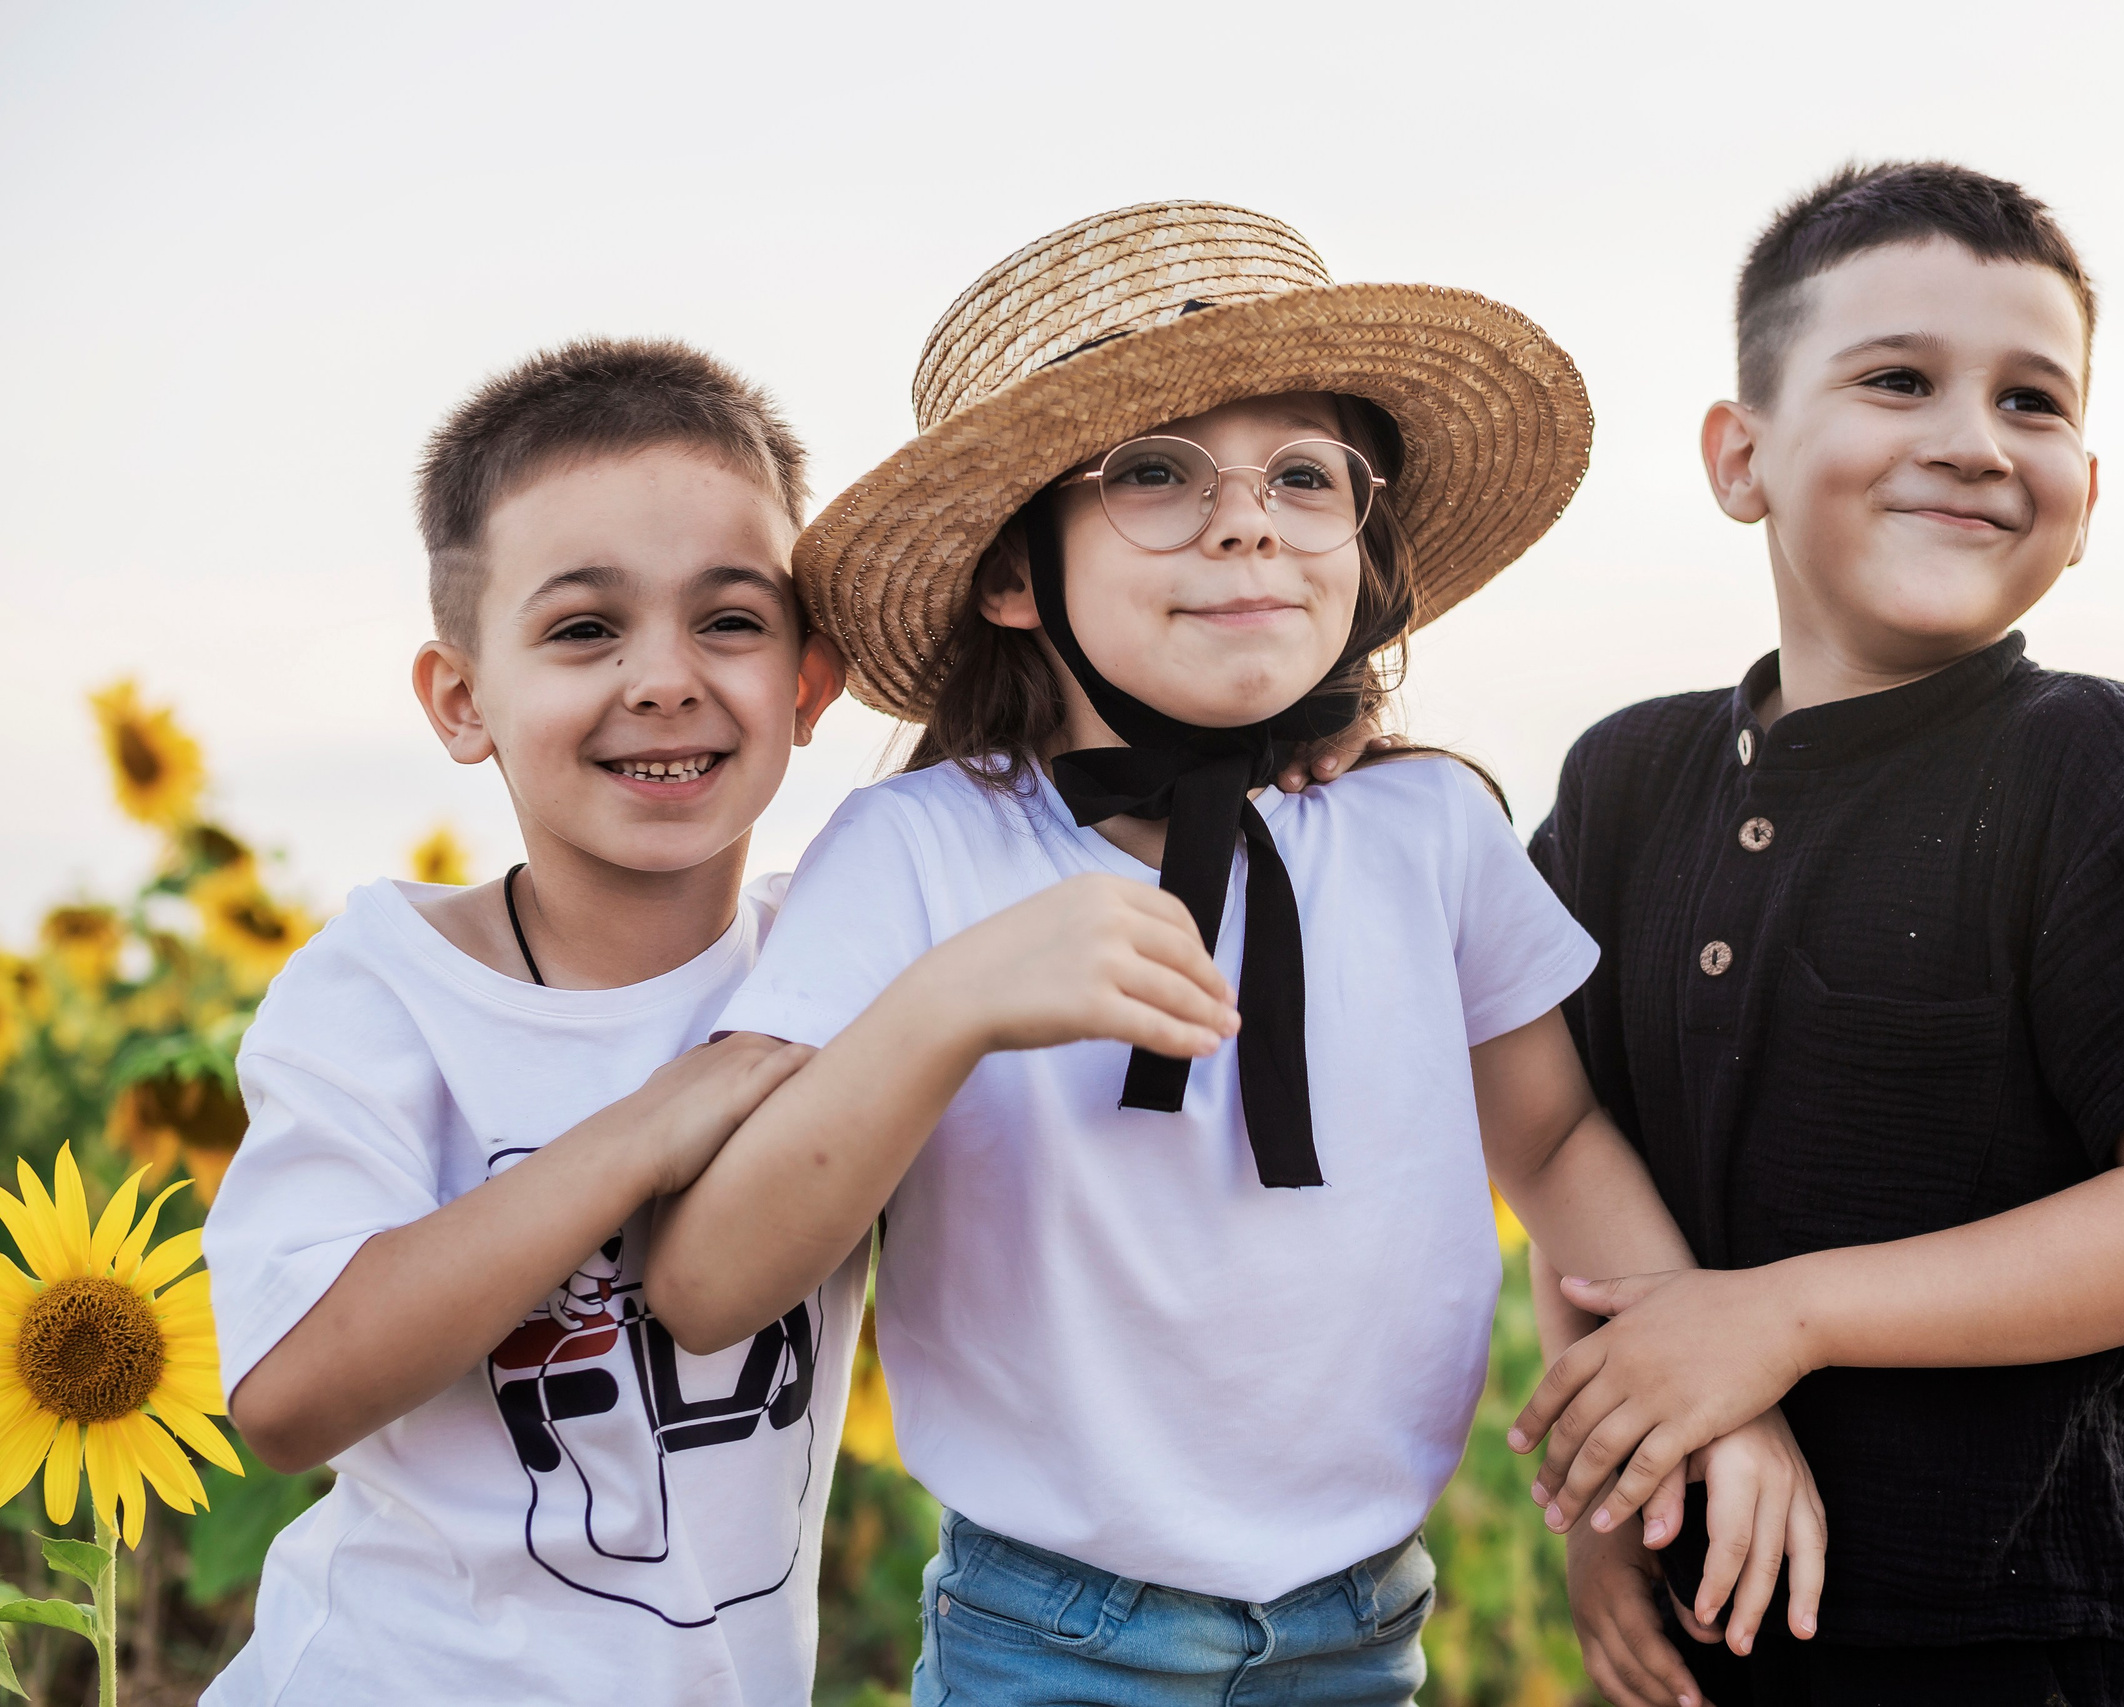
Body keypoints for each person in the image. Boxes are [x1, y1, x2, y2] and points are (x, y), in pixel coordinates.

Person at [645, 201, 1826, 1706]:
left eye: (1304, 475)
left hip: (1363, 1633)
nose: (1247, 519)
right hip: (1049, 1640)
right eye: (1153, 473)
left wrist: (1698, 1393)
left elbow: (1560, 1139)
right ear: (1015, 578)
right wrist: (950, 1007)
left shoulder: (1427, 830)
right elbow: (707, 1285)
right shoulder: (920, 854)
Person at [202, 338, 1246, 1706]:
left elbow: (1113, 793)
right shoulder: (388, 985)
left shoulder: (859, 956)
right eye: (585, 628)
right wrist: (645, 1128)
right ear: (464, 700)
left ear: (810, 689)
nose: (665, 678)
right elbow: (287, 1395)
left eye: (731, 622)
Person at [1510, 162, 2124, 1707]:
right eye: (1901, 379)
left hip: (2032, 1632)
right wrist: (1615, 1493)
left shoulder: (2087, 767)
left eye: (2036, 402)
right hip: (1727, 1618)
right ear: (1740, 455)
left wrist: (1784, 1318)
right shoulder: (1628, 779)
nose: (1972, 439)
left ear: (2088, 495)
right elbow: (1567, 1142)